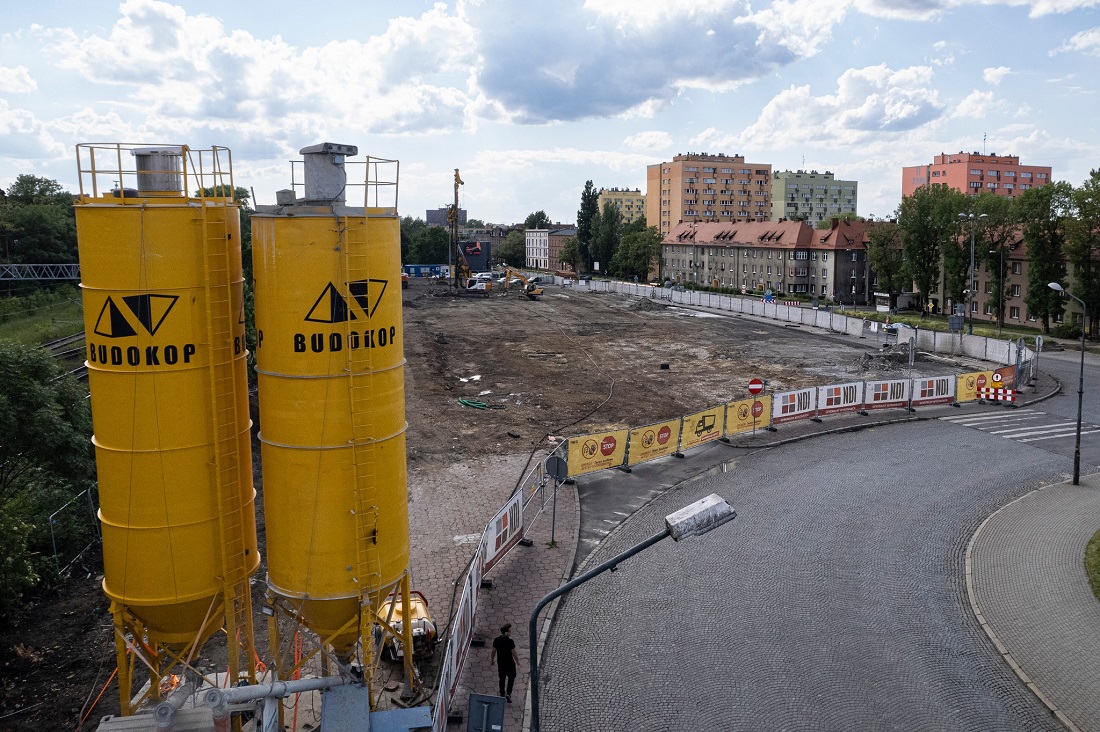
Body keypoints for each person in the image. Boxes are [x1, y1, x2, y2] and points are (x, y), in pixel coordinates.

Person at [490, 623, 518, 702]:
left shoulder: (496, 640)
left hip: (501, 663)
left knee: (502, 678)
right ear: (506, 632)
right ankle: (508, 693)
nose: (510, 632)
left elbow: (493, 651)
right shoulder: (510, 641)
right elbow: (514, 653)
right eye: (509, 631)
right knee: (511, 677)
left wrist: (492, 660)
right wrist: (517, 661)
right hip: (510, 663)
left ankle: (502, 693)